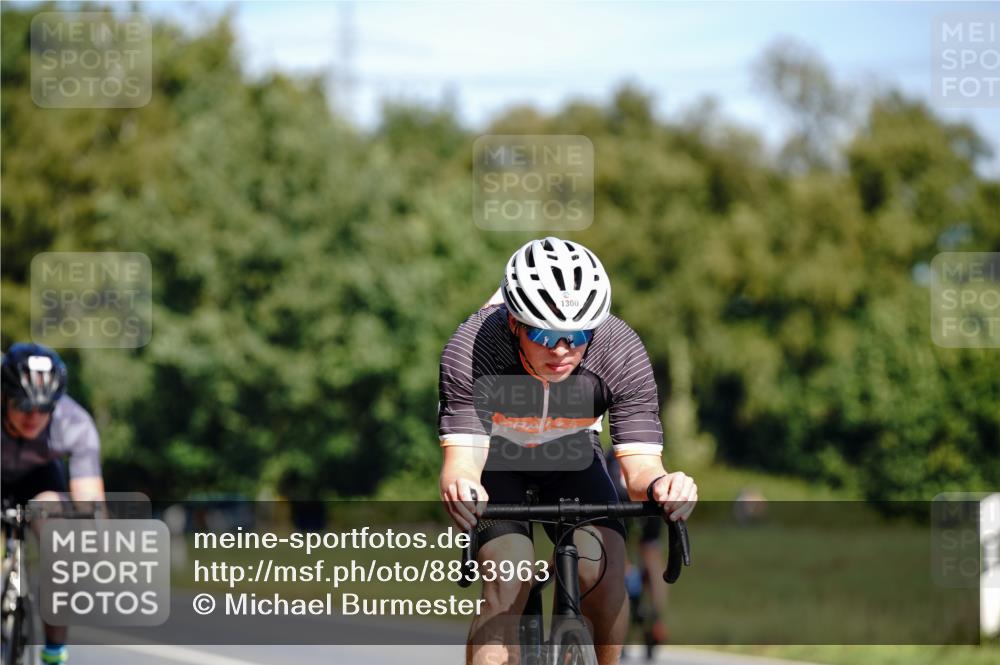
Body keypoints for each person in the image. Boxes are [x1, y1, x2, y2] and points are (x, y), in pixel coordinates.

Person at [438, 237, 698, 665]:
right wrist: (463, 489)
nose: (562, 351)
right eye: (544, 334)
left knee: (605, 572)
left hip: (574, 456)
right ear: (514, 324)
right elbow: (462, 463)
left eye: (577, 336)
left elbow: (640, 470)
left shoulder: (619, 349)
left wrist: (664, 485)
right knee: (508, 575)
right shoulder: (472, 349)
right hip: (498, 460)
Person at [2, 343, 105, 665]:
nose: (34, 416)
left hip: (39, 480)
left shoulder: (74, 422)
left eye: (44, 407)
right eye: (23, 405)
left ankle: (54, 653)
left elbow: (90, 501)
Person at [606, 450, 670, 651]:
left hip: (618, 497)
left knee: (619, 550)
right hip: (649, 495)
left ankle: (630, 606)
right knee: (651, 552)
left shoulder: (609, 455)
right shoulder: (648, 451)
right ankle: (658, 617)